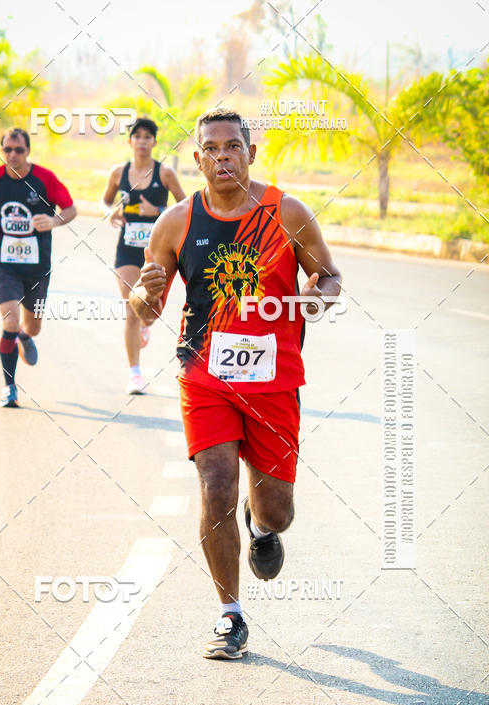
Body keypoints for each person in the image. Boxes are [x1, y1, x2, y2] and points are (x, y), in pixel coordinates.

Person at [129, 108, 342, 659]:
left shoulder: (286, 212)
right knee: (216, 483)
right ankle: (230, 615)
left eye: (232, 146)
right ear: (197, 159)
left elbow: (329, 276)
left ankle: (261, 527)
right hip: (204, 376)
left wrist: (316, 296)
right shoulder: (176, 222)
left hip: (274, 381)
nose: (222, 156)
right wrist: (143, 291)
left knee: (277, 511)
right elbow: (147, 310)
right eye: (211, 148)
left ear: (251, 153)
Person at [0, 127, 77, 408]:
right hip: (3, 264)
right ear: (1, 151)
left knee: (33, 327)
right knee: (10, 321)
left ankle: (24, 335)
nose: (12, 155)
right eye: (7, 149)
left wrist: (53, 221)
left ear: (28, 151)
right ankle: (10, 388)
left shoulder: (45, 179)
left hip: (37, 267)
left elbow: (70, 209)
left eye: (18, 150)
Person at [102, 116, 185, 394]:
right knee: (131, 309)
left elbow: (185, 207)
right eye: (137, 136)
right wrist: (110, 212)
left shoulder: (165, 174)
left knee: (148, 313)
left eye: (147, 137)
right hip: (126, 249)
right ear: (130, 141)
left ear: (154, 142)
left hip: (157, 252)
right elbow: (105, 201)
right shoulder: (118, 172)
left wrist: (157, 212)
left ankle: (146, 325)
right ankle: (135, 374)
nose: (142, 142)